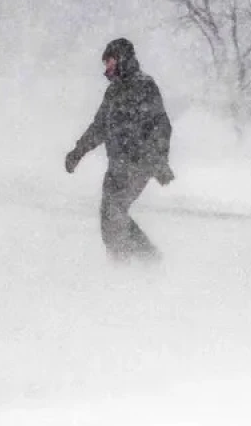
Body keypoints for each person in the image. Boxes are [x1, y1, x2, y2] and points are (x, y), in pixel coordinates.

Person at [65, 38, 174, 262]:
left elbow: (161, 126)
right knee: (110, 218)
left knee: (113, 213)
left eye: (110, 61)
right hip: (117, 165)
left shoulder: (145, 86)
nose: (107, 67)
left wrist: (159, 161)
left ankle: (139, 260)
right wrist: (78, 152)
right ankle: (130, 262)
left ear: (122, 59)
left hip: (138, 164)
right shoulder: (113, 92)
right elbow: (99, 127)